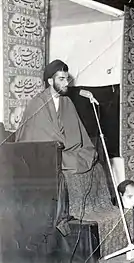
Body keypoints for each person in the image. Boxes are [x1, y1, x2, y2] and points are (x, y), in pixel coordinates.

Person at [15, 60, 114, 222]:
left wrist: (81, 152)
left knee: (94, 163)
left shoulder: (67, 102)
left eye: (67, 79)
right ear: (50, 81)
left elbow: (78, 134)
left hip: (66, 152)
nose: (66, 82)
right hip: (45, 155)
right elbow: (39, 137)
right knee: (75, 165)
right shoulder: (37, 103)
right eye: (61, 79)